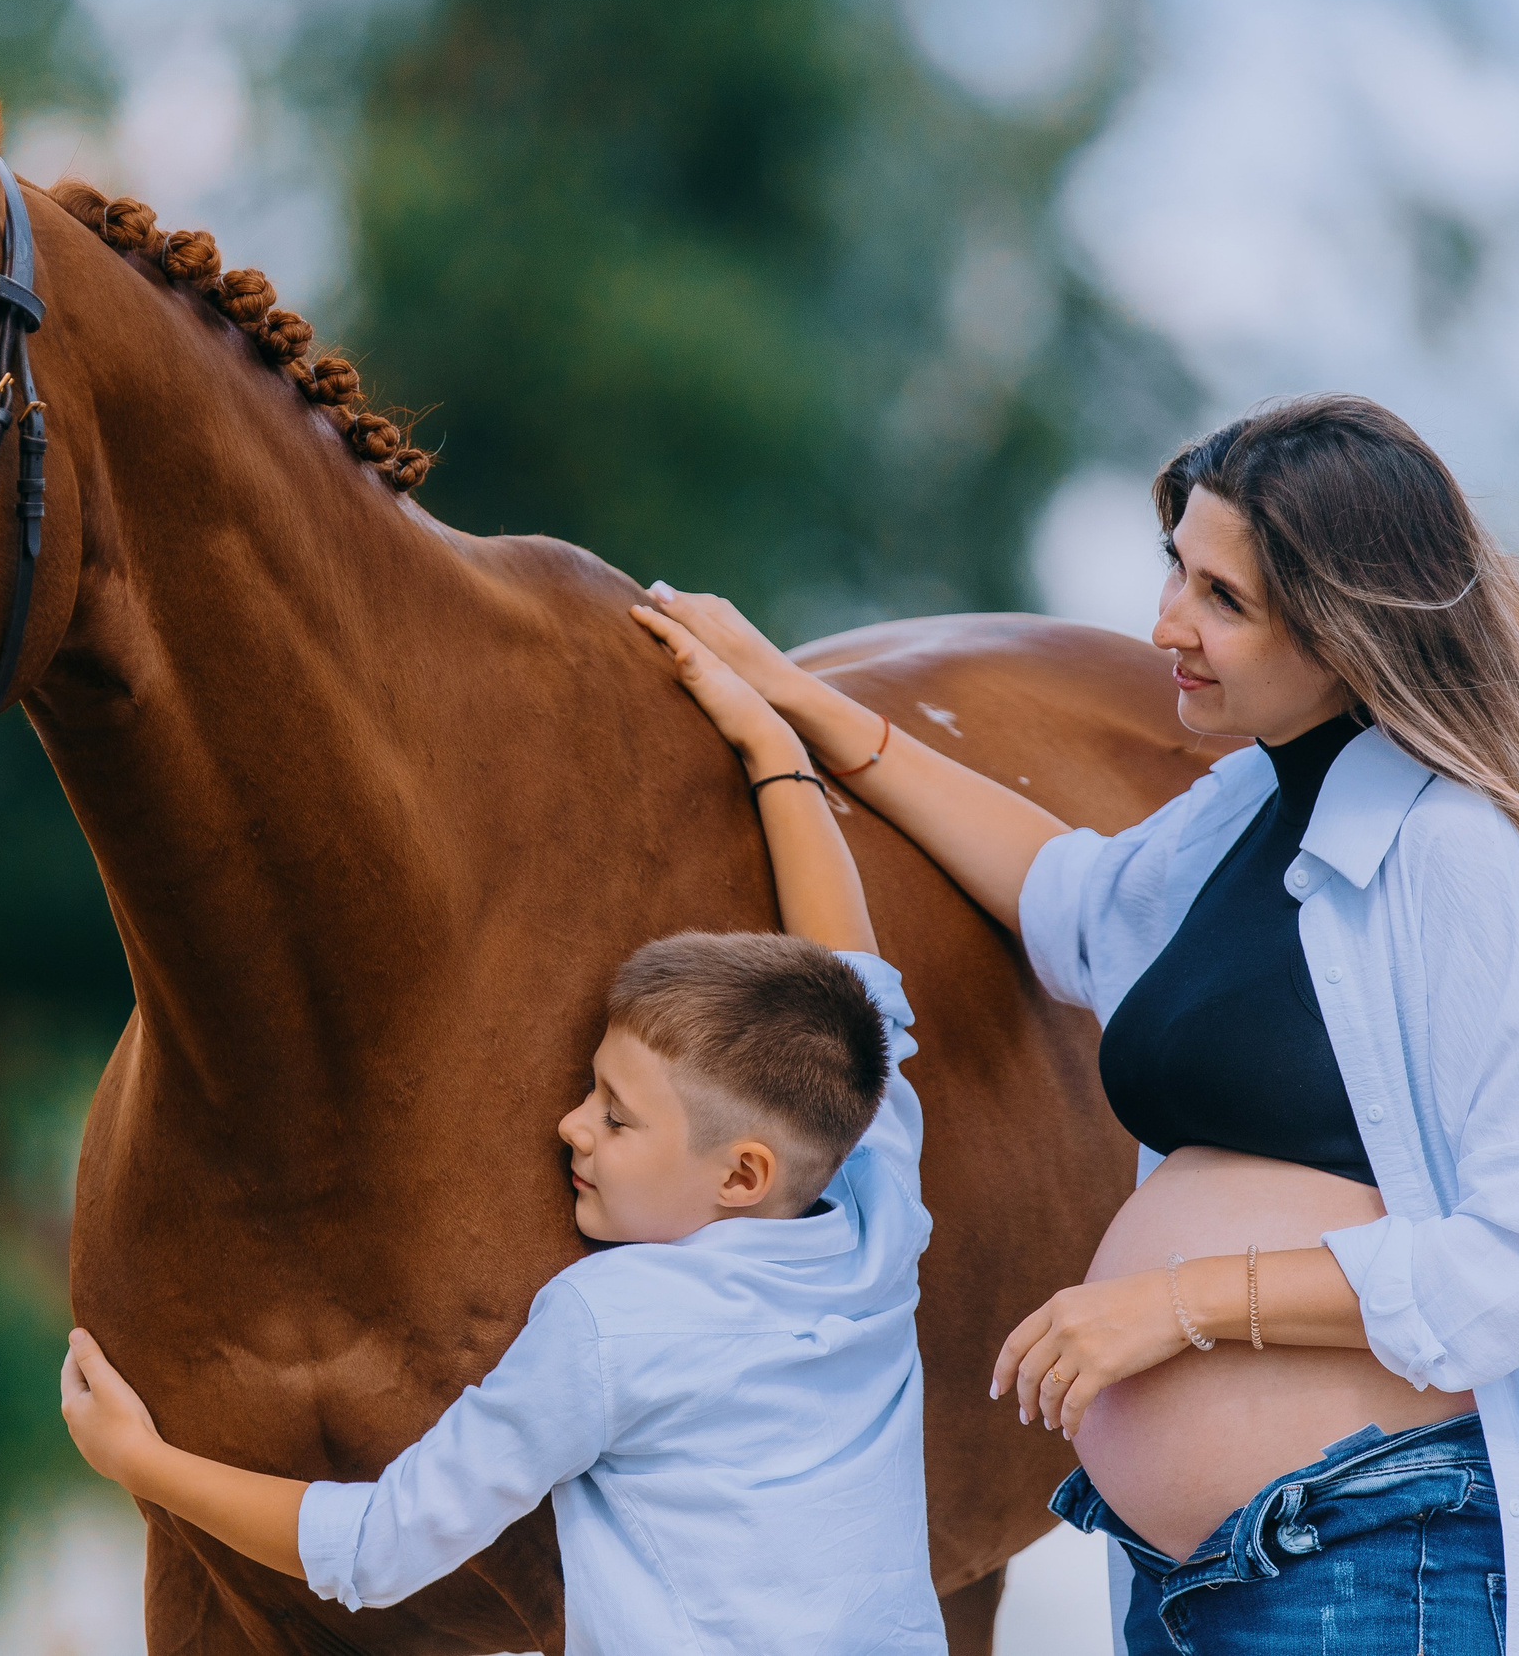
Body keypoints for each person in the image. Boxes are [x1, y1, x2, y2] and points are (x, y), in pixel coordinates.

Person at [645, 395, 1519, 1655]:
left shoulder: (1455, 856)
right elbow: (1073, 903)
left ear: (1343, 631)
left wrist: (1178, 1307)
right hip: (1189, 1571)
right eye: (1177, 569)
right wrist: (794, 704)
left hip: (1369, 1557)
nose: (1169, 624)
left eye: (1225, 599)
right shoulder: (1242, 811)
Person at [58, 599, 948, 1654]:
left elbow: (382, 1546)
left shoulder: (608, 1325)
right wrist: (770, 748)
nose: (570, 1126)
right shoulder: (875, 1203)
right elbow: (855, 979)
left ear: (742, 1174)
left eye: (615, 1116)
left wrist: (140, 1464)